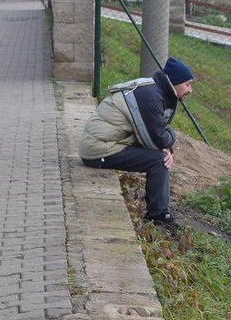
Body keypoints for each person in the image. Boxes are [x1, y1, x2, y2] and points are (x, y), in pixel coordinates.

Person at [78, 57, 196, 232]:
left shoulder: (153, 90)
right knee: (159, 161)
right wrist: (169, 140)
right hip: (99, 149)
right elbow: (157, 138)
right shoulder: (151, 97)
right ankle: (158, 216)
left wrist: (166, 143)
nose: (190, 90)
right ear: (175, 82)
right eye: (187, 84)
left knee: (160, 155)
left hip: (103, 143)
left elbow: (155, 134)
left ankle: (158, 212)